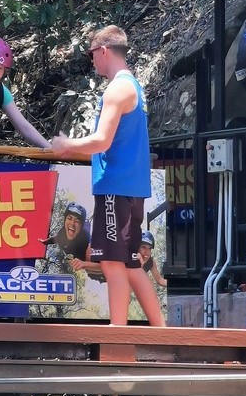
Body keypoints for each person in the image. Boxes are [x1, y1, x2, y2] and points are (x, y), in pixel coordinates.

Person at [50, 24, 165, 327]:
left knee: (112, 263)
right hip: (132, 187)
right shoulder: (133, 86)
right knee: (131, 265)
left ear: (103, 51)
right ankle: (162, 331)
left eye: (91, 54)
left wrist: (66, 145)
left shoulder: (117, 89)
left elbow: (102, 141)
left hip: (115, 186)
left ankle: (117, 334)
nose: (92, 61)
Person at [39, 202, 102, 276]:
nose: (72, 223)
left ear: (81, 226)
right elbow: (55, 239)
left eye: (77, 221)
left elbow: (102, 267)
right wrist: (45, 242)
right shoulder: (62, 233)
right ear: (65, 220)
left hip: (90, 256)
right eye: (69, 218)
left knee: (89, 270)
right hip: (76, 249)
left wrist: (84, 264)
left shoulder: (86, 241)